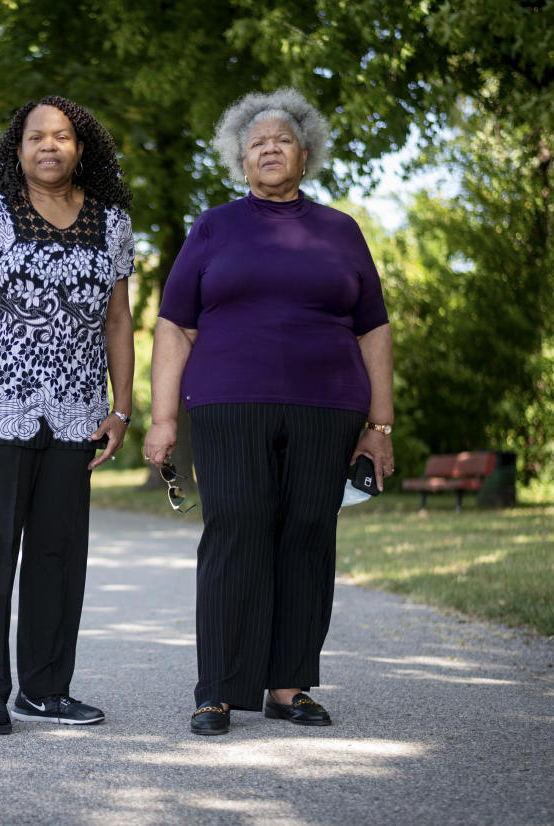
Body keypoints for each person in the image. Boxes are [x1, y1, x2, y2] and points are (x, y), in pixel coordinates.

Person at [143, 88, 394, 736]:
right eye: (258, 143)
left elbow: (374, 332)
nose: (271, 148)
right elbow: (174, 325)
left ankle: (289, 687)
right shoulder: (214, 227)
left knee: (308, 535)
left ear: (305, 155)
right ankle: (218, 690)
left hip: (328, 407)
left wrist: (380, 426)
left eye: (283, 139)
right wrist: (163, 418)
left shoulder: (340, 231)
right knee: (236, 530)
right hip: (227, 404)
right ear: (241, 159)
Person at [0, 95, 135, 736]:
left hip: (77, 414)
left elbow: (118, 320)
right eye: (35, 137)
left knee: (58, 555)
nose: (48, 146)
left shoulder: (111, 224)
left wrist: (122, 409)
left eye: (60, 136)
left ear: (80, 146)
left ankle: (47, 691)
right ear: (18, 148)